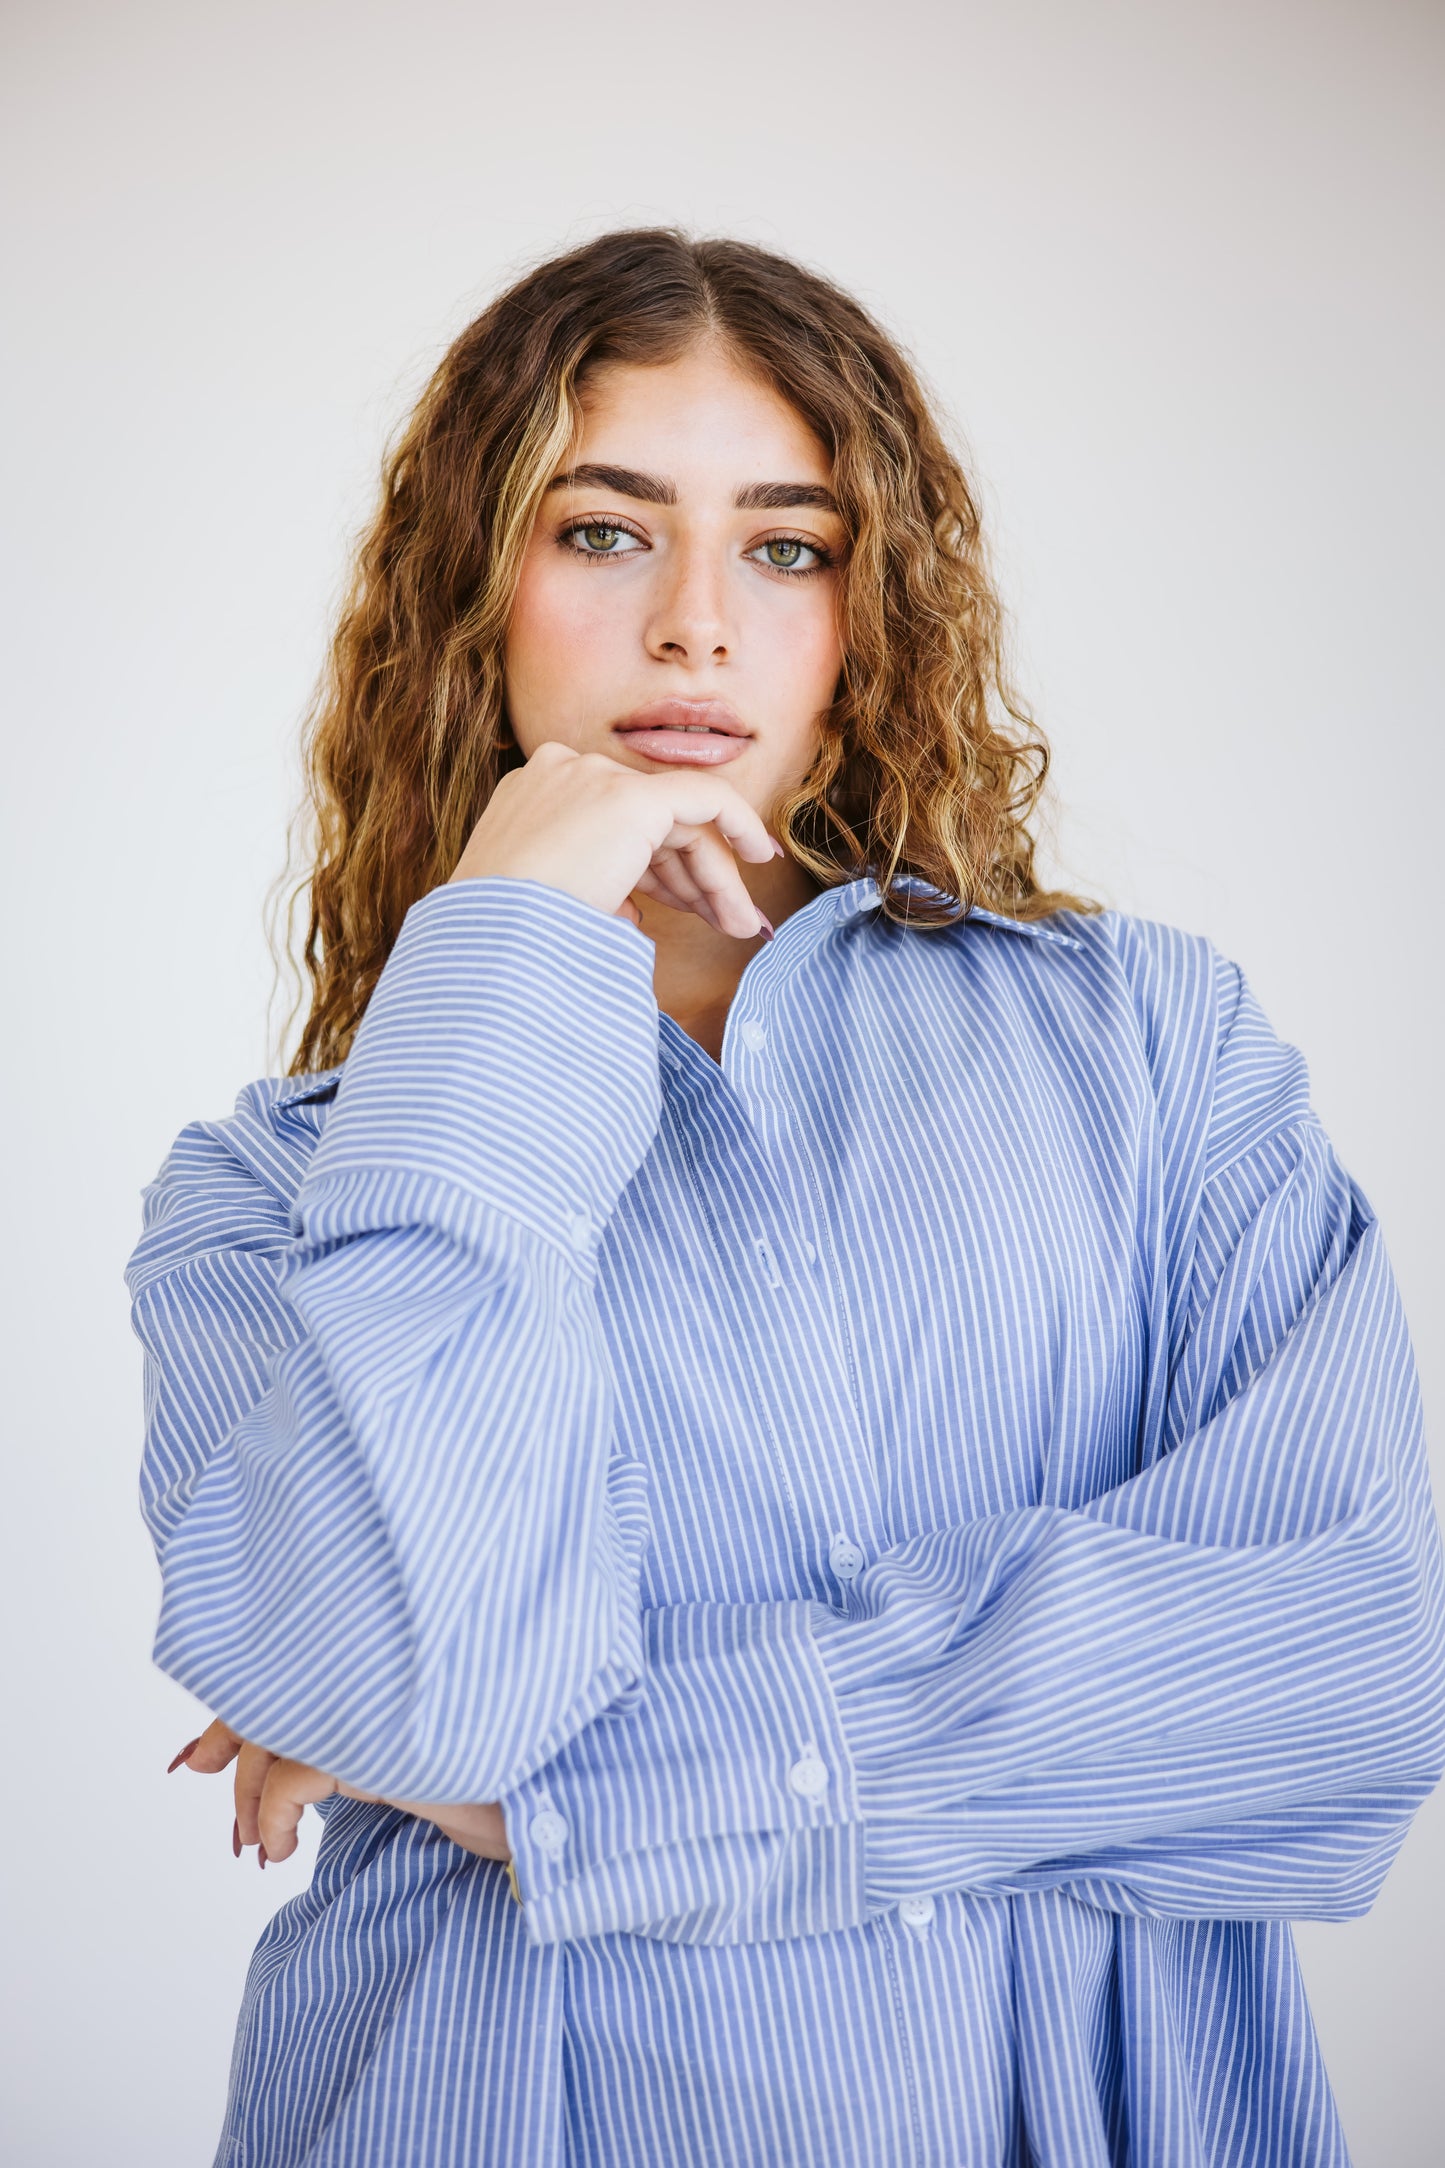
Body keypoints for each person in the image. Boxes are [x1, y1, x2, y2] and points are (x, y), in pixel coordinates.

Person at [126, 229, 1445, 2168]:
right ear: (470, 594)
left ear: (868, 603)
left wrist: (573, 1802)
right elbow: (422, 1682)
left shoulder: (1157, 1048)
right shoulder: (270, 1194)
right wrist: (501, 946)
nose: (694, 626)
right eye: (601, 530)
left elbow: (1341, 1674)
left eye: (785, 544)